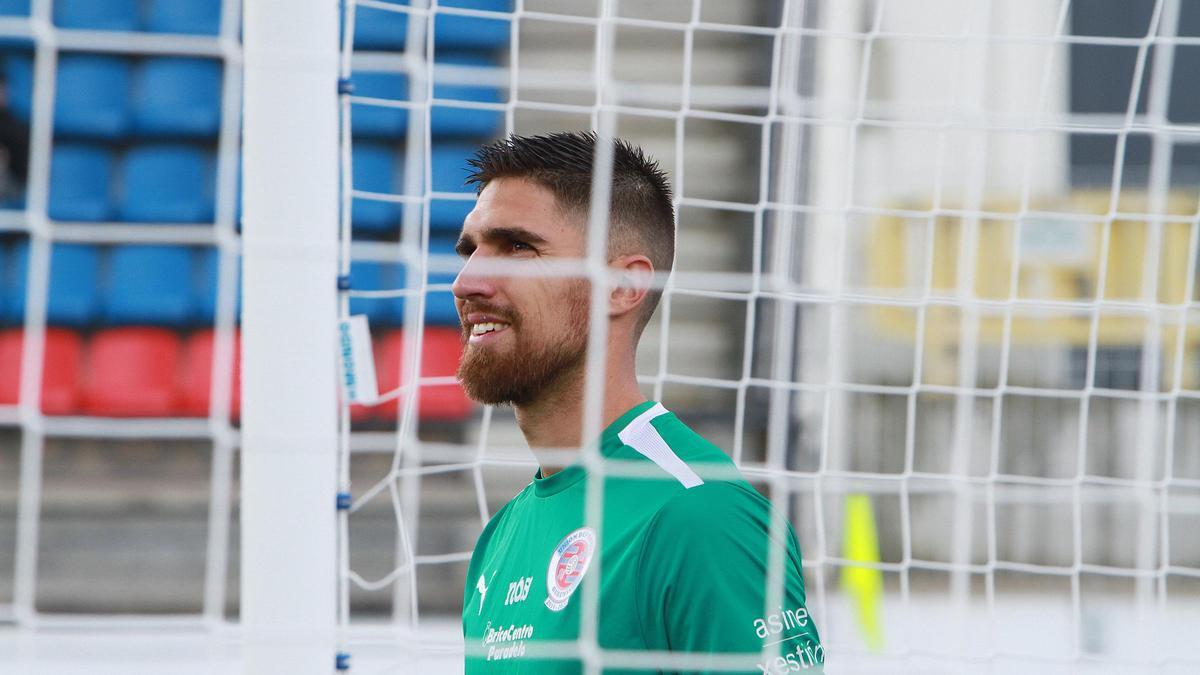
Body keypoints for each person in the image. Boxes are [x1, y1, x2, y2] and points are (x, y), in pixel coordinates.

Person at [456, 132, 823, 674]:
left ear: (623, 286)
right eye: (470, 250)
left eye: (517, 247)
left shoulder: (699, 513)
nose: (468, 281)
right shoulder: (501, 535)